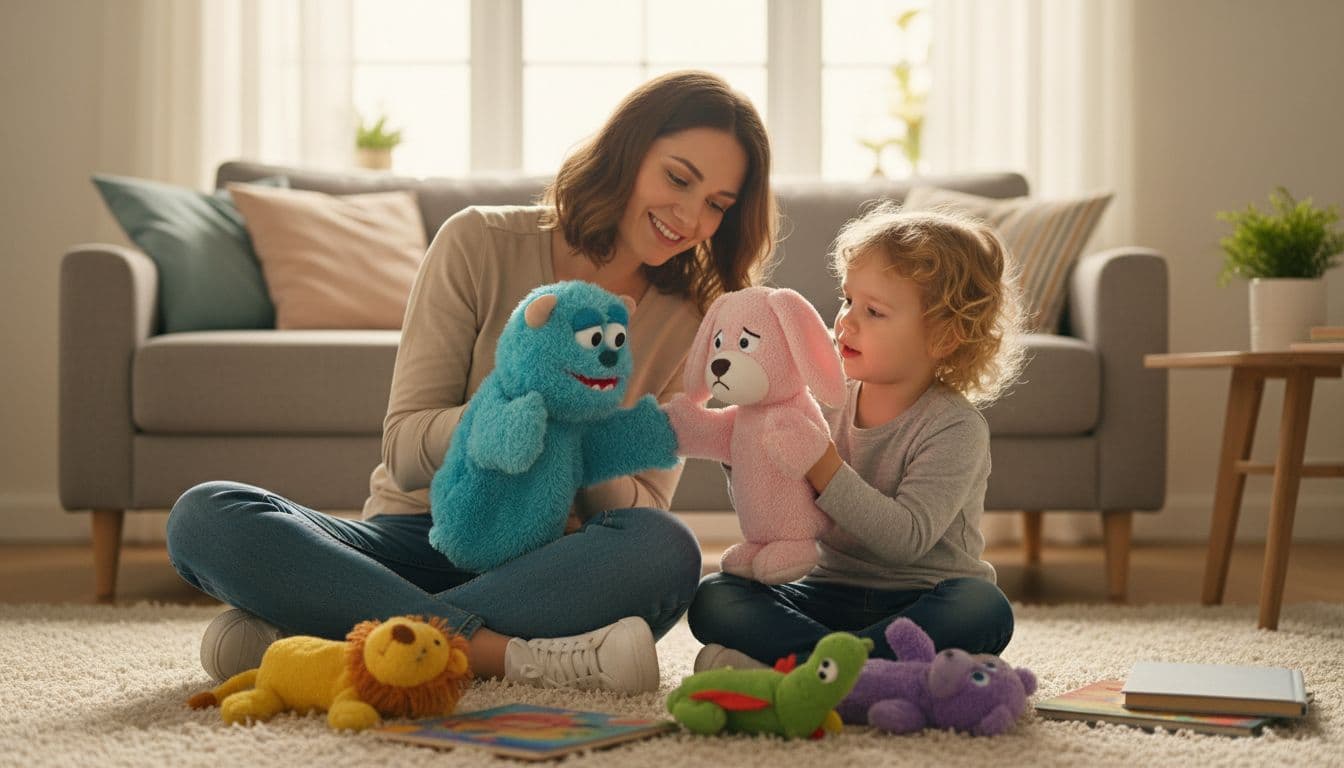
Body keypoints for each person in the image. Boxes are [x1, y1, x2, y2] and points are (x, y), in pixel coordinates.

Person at [166, 70, 777, 695]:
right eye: (678, 178)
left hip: (551, 561)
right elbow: (404, 451)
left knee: (667, 552)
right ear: (628, 151)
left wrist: (583, 432)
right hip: (417, 533)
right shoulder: (477, 241)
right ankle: (497, 654)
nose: (690, 216)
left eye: (717, 205)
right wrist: (510, 411)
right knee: (206, 517)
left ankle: (337, 636)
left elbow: (646, 506)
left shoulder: (698, 319)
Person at [687, 201, 1027, 671]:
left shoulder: (955, 426)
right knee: (715, 596)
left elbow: (906, 540)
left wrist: (823, 464)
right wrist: (746, 459)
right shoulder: (824, 399)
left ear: (943, 338)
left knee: (984, 610)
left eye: (874, 311)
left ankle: (812, 669)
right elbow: (781, 505)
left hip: (921, 598)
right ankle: (860, 671)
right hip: (822, 591)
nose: (846, 320)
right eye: (848, 299)